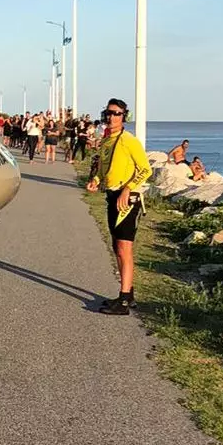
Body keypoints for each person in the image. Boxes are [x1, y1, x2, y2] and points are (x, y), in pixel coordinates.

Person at [87, 97, 152, 315]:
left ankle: (124, 302)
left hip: (128, 200)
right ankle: (127, 294)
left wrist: (128, 188)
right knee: (117, 247)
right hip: (111, 196)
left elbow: (145, 169)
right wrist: (96, 180)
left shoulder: (129, 140)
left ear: (124, 116)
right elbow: (103, 170)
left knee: (125, 247)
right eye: (108, 113)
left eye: (116, 113)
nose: (111, 117)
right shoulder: (107, 140)